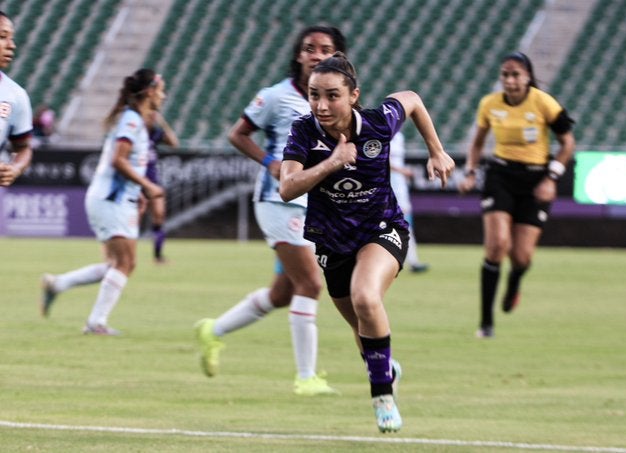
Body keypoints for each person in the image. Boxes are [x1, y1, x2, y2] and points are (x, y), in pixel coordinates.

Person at [279, 52, 454, 432]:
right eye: (314, 95)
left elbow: (412, 99)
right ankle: (385, 368)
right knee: (361, 327)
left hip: (382, 228)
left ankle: (382, 396)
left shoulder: (378, 123)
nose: (322, 105)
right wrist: (332, 162)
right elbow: (287, 187)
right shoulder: (303, 131)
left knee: (365, 297)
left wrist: (436, 150)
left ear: (353, 95)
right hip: (330, 239)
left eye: (332, 95)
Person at [193, 26, 346, 396]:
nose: (316, 54)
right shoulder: (277, 97)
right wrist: (270, 163)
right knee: (310, 284)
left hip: (313, 205)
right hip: (279, 201)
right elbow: (238, 133)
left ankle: (212, 331)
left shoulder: (337, 102)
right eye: (309, 48)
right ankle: (306, 377)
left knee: (282, 294)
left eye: (325, 49)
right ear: (298, 55)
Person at [458, 52, 575, 339]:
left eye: (516, 75)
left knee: (521, 257)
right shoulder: (489, 104)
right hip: (501, 175)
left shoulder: (544, 103)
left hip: (536, 179)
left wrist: (552, 177)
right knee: (497, 245)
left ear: (527, 77)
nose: (510, 81)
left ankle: (514, 283)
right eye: (505, 75)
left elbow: (567, 143)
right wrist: (471, 172)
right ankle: (486, 323)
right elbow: (477, 143)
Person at [41, 69, 166, 335]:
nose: (163, 95)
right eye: (161, 89)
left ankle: (58, 284)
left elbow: (129, 163)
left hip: (118, 199)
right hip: (112, 200)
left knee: (116, 264)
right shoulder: (132, 121)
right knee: (125, 263)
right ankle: (96, 323)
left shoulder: (134, 120)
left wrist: (139, 193)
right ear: (149, 91)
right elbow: (118, 160)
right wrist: (147, 185)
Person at [0, 11, 33, 187]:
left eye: (11, 38)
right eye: (2, 36)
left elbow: (23, 148)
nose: (11, 45)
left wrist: (15, 168)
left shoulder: (15, 95)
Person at [389, 131, 428, 273]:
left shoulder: (399, 136)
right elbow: (380, 160)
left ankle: (413, 260)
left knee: (405, 222)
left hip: (399, 187)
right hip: (386, 185)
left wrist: (401, 173)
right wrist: (401, 171)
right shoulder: (380, 132)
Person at [141, 111, 178, 263]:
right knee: (134, 218)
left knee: (159, 214)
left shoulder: (155, 133)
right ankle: (124, 255)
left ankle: (158, 255)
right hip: (136, 181)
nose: (151, 118)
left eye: (153, 116)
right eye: (148, 115)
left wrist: (162, 122)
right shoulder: (136, 133)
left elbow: (174, 143)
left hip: (153, 182)